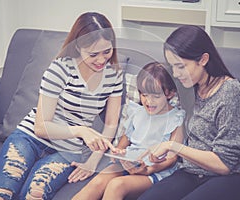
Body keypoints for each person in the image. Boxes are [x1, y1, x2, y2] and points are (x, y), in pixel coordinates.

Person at [0, 12, 122, 200]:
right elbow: (41, 127)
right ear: (78, 47)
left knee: (34, 195)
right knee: (1, 195)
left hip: (68, 149)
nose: (101, 60)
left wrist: (93, 160)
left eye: (107, 51)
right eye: (93, 54)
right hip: (30, 138)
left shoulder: (114, 75)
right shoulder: (60, 69)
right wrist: (81, 130)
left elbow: (111, 124)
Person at [138, 25, 240, 200]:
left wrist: (173, 147)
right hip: (193, 171)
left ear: (203, 59)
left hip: (237, 175)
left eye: (180, 66)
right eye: (172, 66)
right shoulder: (190, 88)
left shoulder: (230, 91)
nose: (175, 73)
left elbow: (224, 164)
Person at [72, 62, 185, 200]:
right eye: (144, 95)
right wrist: (118, 152)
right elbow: (124, 141)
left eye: (156, 96)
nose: (149, 101)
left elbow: (172, 158)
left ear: (170, 94)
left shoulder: (176, 118)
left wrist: (150, 169)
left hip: (154, 171)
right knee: (97, 183)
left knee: (116, 186)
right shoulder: (137, 112)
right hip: (129, 163)